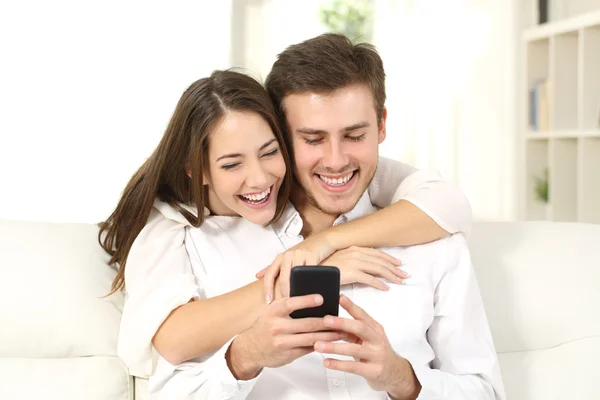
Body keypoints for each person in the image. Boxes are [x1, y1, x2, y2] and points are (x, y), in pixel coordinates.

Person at [136, 34, 505, 399]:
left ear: (381, 126)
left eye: (355, 135)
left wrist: (402, 379)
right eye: (313, 139)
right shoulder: (204, 244)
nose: (336, 160)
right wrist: (246, 355)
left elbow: (484, 391)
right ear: (280, 135)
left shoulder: (433, 240)